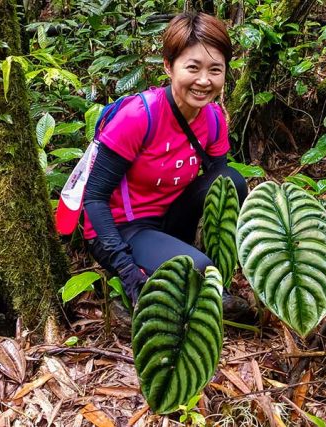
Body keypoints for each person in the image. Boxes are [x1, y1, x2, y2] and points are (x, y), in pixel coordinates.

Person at [80, 11, 248, 314]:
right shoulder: (138, 117)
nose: (204, 81)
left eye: (215, 70)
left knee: (231, 180)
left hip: (169, 222)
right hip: (122, 228)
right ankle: (148, 280)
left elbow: (217, 183)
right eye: (193, 67)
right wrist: (127, 271)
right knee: (200, 272)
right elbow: (94, 199)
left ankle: (189, 266)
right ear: (169, 66)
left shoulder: (212, 119)